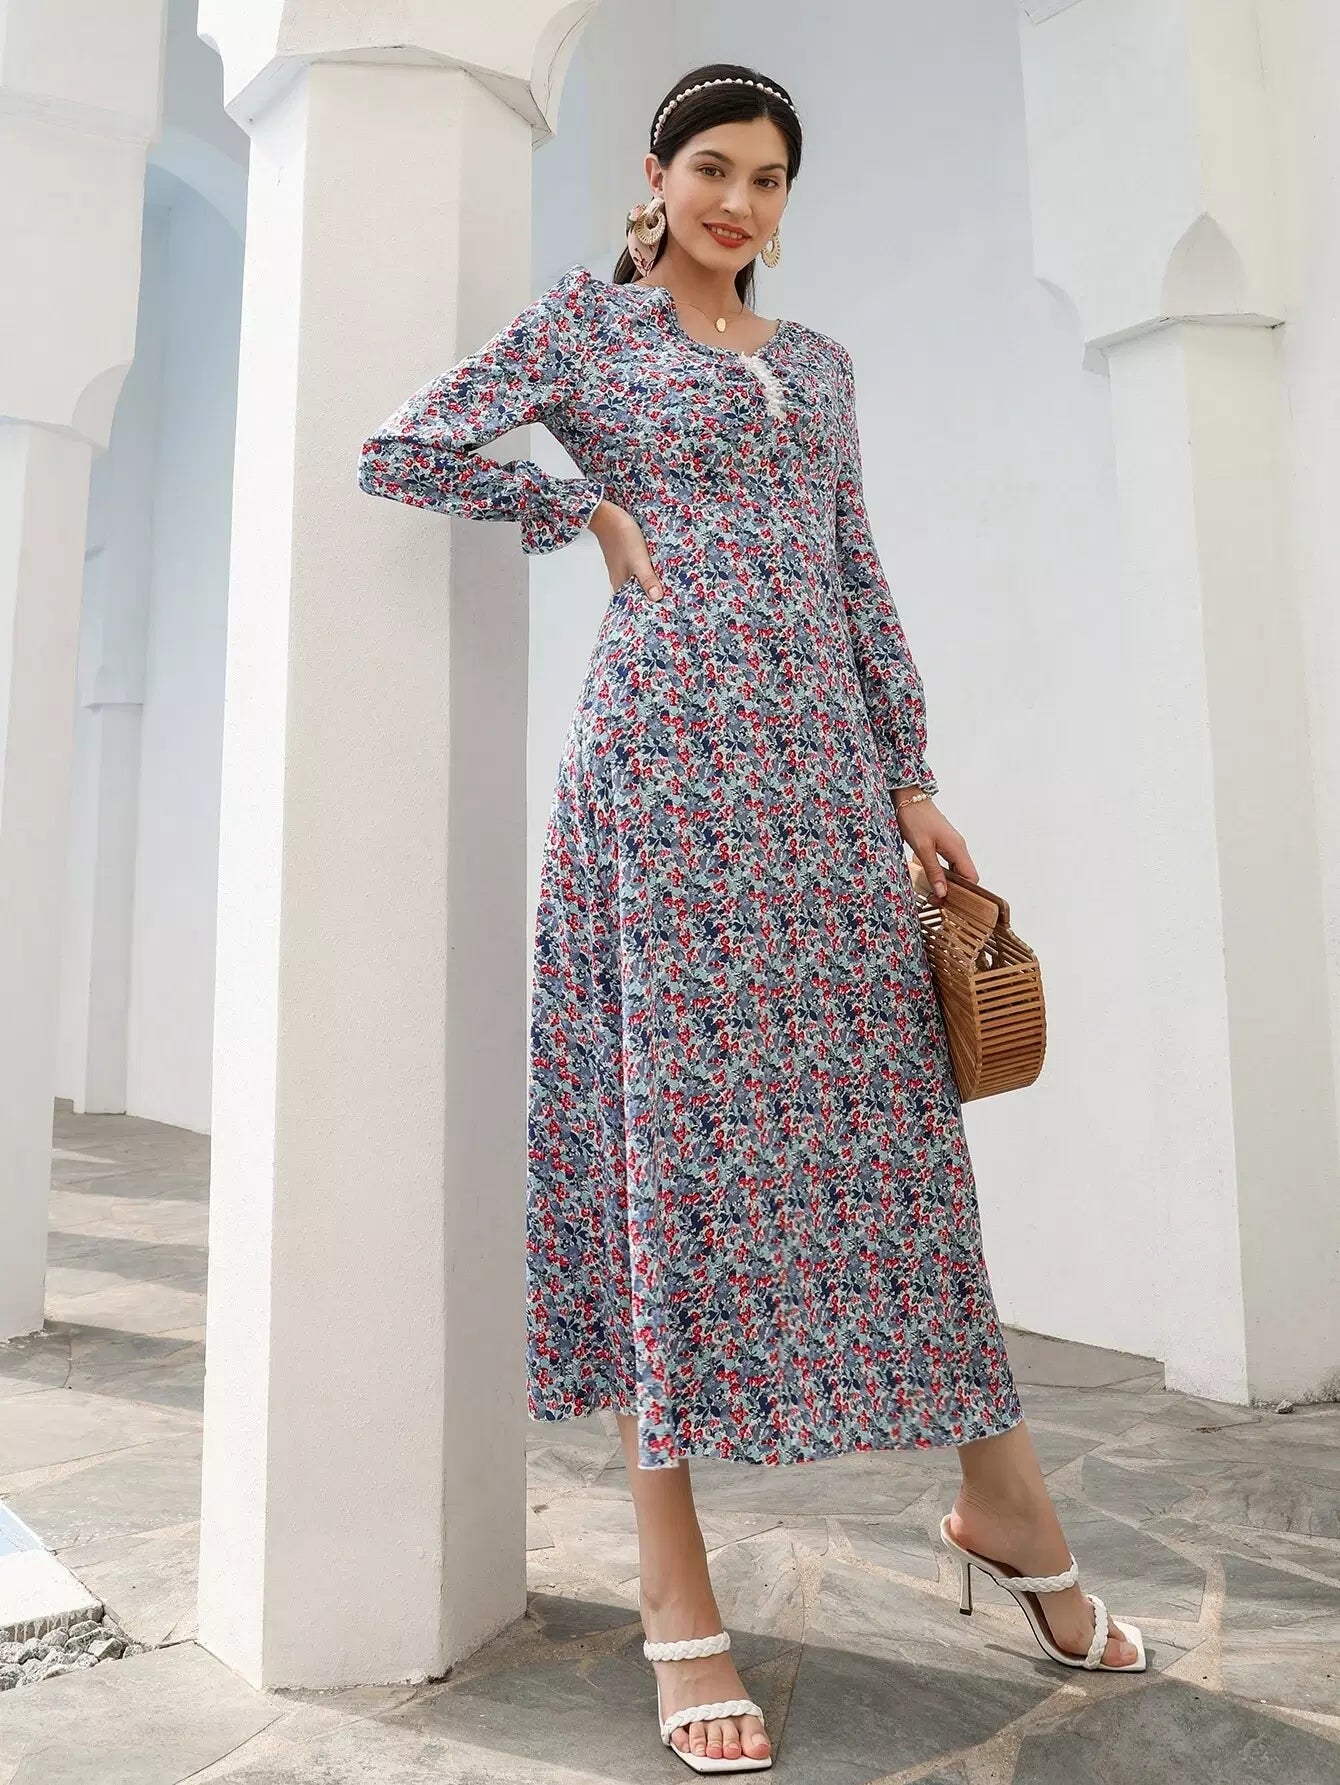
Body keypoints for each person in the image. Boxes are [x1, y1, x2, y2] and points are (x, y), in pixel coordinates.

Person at [358, 58, 1144, 1777]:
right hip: (664, 772)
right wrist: (580, 507)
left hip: (822, 783)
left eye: (769, 180)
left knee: (897, 1140)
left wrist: (910, 777)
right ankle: (674, 1579)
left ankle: (1004, 1504)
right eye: (713, 168)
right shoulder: (587, 330)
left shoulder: (821, 368)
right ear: (656, 174)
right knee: (676, 1143)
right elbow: (399, 447)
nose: (739, 202)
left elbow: (857, 567)